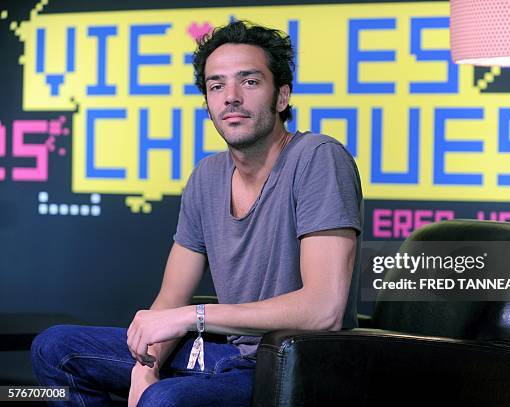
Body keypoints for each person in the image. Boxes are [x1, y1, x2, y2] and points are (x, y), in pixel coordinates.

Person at [31, 20, 362, 406]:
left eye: (250, 82)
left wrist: (195, 317)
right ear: (207, 102)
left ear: (282, 96)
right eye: (217, 85)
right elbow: (171, 298)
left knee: (167, 399)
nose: (231, 97)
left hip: (286, 365)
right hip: (219, 354)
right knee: (53, 347)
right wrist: (145, 369)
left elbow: (324, 309)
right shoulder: (206, 176)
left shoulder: (319, 157)